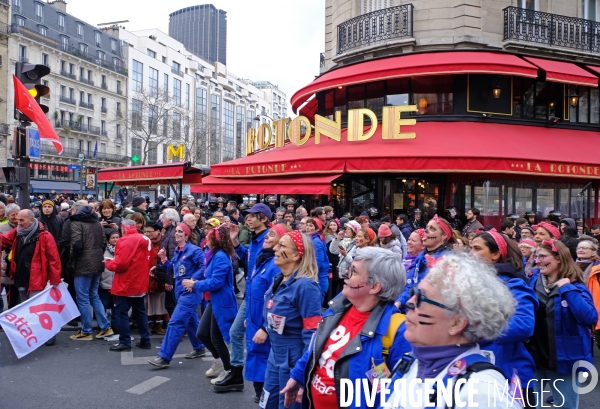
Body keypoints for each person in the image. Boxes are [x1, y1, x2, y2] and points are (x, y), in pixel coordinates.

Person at [384, 252, 520, 409]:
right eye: (413, 293)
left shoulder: (482, 392)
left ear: (457, 322)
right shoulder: (409, 363)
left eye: (421, 297)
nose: (409, 303)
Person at [281, 247, 412, 409]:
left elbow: (399, 395)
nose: (345, 275)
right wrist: (298, 376)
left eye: (354, 272)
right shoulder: (338, 305)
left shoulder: (399, 330)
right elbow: (316, 347)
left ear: (374, 287)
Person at [469, 229, 538, 404]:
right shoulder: (468, 283)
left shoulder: (513, 284)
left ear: (495, 255)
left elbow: (523, 324)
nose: (470, 254)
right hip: (473, 370)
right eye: (470, 248)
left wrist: (474, 331)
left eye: (477, 249)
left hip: (508, 372)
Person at [528, 239, 597, 409]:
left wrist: (567, 289)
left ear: (558, 258)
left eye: (543, 256)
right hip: (534, 359)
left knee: (565, 406)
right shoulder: (533, 283)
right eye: (536, 256)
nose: (537, 260)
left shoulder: (576, 286)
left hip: (564, 362)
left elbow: (589, 318)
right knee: (526, 405)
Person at [260, 231, 322, 409]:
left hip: (293, 362)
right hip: (275, 357)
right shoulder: (278, 279)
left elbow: (312, 336)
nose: (275, 249)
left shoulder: (306, 287)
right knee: (266, 404)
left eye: (281, 246)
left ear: (296, 255)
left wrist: (303, 378)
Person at [183, 225, 239, 392]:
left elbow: (216, 282)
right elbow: (207, 273)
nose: (206, 239)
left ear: (216, 240)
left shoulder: (221, 257)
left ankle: (228, 370)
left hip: (221, 301)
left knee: (216, 338)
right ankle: (219, 361)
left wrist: (195, 284)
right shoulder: (213, 254)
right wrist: (195, 280)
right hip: (213, 300)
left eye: (209, 237)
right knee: (202, 334)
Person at [147, 222, 206, 364]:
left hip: (190, 292)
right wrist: (163, 260)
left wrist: (193, 280)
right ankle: (199, 347)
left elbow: (204, 267)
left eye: (180, 232)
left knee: (175, 322)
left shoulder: (194, 250)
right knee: (191, 321)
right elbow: (172, 269)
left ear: (187, 235)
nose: (177, 234)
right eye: (176, 231)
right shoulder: (179, 251)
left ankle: (164, 356)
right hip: (180, 292)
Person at [1, 209, 62, 346]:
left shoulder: (45, 236)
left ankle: (49, 334)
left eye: (22, 220)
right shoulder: (17, 232)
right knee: (26, 308)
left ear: (31, 220)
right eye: (17, 220)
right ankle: (35, 333)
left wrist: (55, 280)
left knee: (39, 309)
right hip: (21, 276)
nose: (18, 222)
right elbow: (4, 240)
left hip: (37, 278)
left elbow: (54, 259)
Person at [244, 223, 290, 402]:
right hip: (255, 321)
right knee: (256, 360)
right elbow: (254, 294)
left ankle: (265, 397)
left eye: (272, 235)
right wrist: (249, 317)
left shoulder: (275, 265)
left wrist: (265, 327)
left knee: (265, 366)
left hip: (265, 327)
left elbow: (277, 301)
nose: (266, 237)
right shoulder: (263, 258)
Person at [227, 202, 272, 385]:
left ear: (264, 218)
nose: (249, 218)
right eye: (248, 215)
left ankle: (263, 383)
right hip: (250, 294)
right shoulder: (255, 238)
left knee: (256, 338)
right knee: (237, 333)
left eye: (253, 215)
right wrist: (235, 242)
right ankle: (238, 373)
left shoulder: (268, 239)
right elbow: (247, 259)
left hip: (260, 296)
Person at [105, 219, 153, 351]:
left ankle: (125, 341)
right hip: (140, 281)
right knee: (140, 312)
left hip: (126, 283)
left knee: (122, 313)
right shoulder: (144, 238)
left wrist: (108, 264)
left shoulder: (124, 240)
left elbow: (120, 264)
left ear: (124, 228)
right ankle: (145, 340)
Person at [68, 204, 113, 341]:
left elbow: (76, 244)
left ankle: (86, 330)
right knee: (94, 295)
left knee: (82, 298)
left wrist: (71, 260)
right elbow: (104, 243)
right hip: (98, 262)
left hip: (83, 264)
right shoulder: (97, 224)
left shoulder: (76, 223)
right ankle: (105, 327)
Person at [396, 215, 455, 311]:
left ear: (443, 236)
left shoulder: (446, 261)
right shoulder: (420, 257)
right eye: (427, 227)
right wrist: (398, 303)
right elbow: (411, 285)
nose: (426, 231)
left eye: (432, 229)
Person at [144, 221, 169, 335]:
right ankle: (148, 324)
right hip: (146, 275)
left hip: (160, 275)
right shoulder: (144, 242)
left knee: (160, 301)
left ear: (158, 231)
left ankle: (158, 323)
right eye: (146, 231)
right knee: (147, 301)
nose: (148, 234)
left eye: (150, 231)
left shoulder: (164, 242)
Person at [99, 229, 120, 332]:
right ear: (108, 239)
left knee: (116, 306)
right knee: (103, 305)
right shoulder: (103, 249)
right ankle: (103, 325)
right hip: (105, 281)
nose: (115, 239)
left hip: (117, 282)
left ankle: (116, 324)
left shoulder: (122, 248)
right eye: (113, 238)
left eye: (117, 237)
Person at [304, 218, 329, 297]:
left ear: (317, 229)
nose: (307, 227)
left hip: (318, 278)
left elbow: (318, 261)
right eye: (307, 225)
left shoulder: (316, 242)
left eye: (311, 226)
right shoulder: (310, 239)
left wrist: (308, 273)